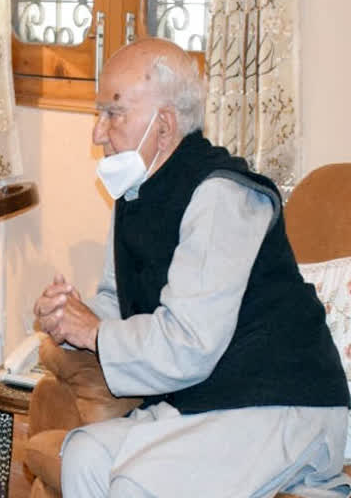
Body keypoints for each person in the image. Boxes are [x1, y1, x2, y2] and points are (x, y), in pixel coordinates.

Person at [33, 38, 351, 497]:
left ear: (163, 126)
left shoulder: (223, 196)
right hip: (209, 399)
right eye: (98, 114)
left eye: (113, 114)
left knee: (136, 485)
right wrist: (67, 317)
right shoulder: (136, 193)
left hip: (282, 400)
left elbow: (188, 345)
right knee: (84, 454)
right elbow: (116, 302)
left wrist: (94, 332)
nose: (98, 133)